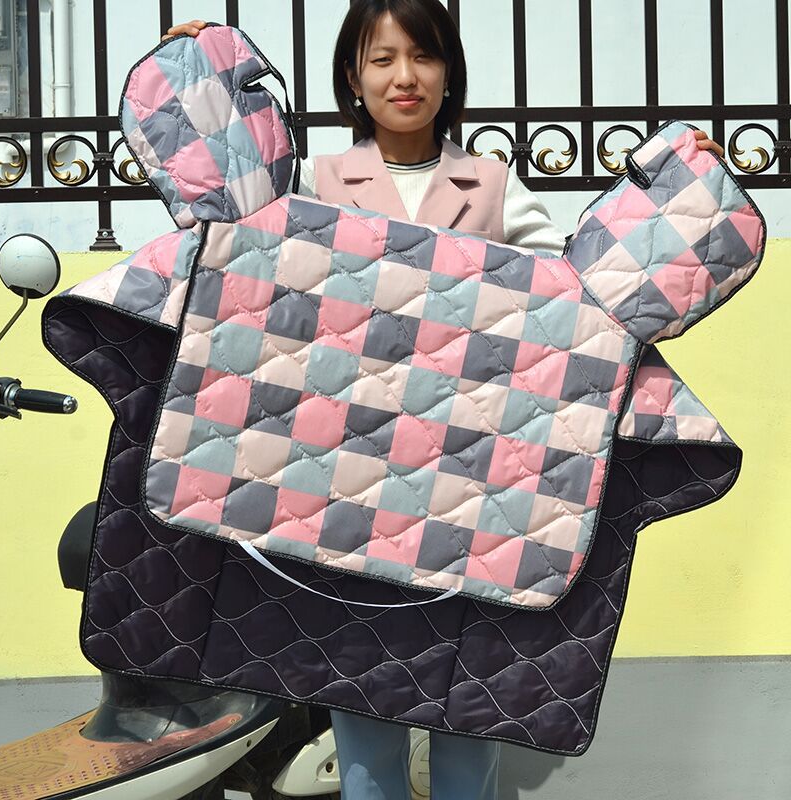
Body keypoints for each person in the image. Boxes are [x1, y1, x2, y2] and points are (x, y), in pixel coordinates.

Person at [163, 4, 725, 798]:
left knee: (469, 745)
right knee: (365, 753)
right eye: (382, 58)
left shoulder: (493, 185)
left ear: (449, 73)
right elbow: (236, 260)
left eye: (423, 56)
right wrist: (194, 72)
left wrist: (689, 185)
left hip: (472, 505)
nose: (405, 76)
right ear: (353, 77)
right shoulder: (315, 184)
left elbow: (575, 309)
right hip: (342, 497)